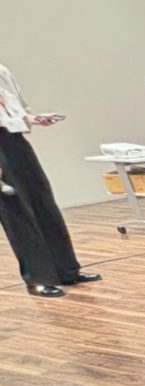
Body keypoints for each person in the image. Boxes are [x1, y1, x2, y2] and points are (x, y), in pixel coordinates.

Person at [0, 63, 100, 298]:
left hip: (14, 141)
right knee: (18, 213)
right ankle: (39, 278)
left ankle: (67, 270)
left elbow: (16, 111)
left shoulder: (2, 72)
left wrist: (34, 119)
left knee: (44, 203)